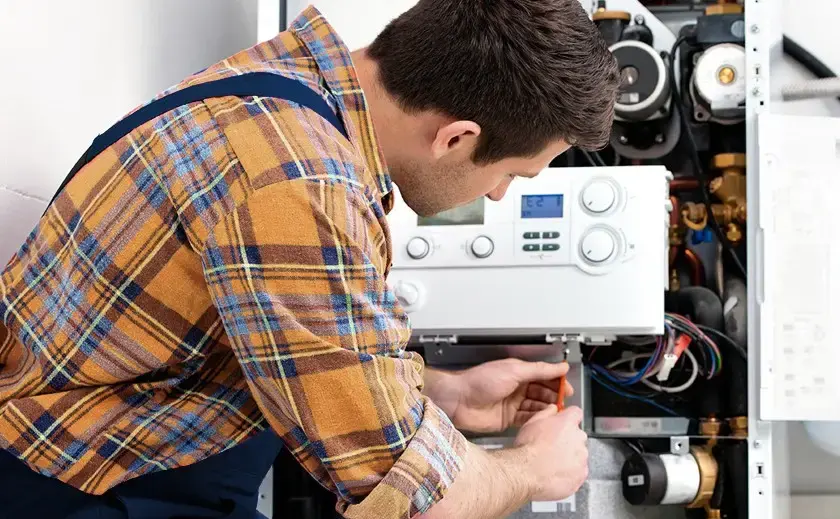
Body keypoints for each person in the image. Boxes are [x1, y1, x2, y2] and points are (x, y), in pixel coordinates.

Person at [0, 1, 618, 517]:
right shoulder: (299, 185)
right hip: (75, 481)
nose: (499, 194)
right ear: (456, 137)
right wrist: (532, 468)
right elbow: (415, 502)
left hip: (118, 438)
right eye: (512, 173)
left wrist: (445, 395)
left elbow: (281, 339)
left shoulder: (293, 87)